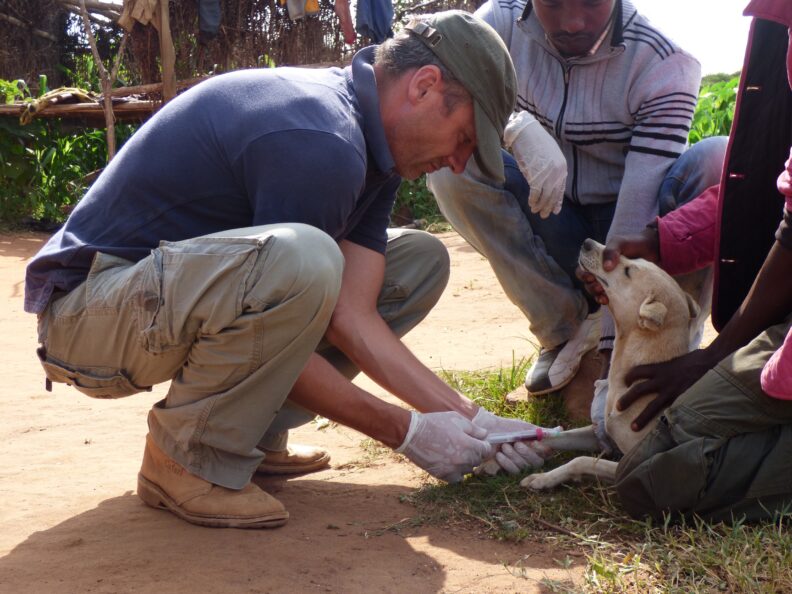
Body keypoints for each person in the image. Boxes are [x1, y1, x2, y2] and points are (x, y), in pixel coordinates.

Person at [24, 11, 549, 530]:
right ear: (425, 87)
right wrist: (406, 431)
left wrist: (469, 418)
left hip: (159, 301)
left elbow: (351, 315)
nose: (459, 163)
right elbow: (290, 295)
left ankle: (247, 434)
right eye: (463, 139)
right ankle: (187, 459)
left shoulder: (376, 150)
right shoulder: (323, 139)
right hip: (88, 315)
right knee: (306, 258)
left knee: (417, 261)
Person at [427, 0, 727, 398]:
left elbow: (636, 210)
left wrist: (612, 356)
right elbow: (420, 67)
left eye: (590, 2)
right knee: (452, 167)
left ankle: (666, 343)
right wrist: (511, 125)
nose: (571, 23)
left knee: (717, 160)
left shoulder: (663, 62)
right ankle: (562, 328)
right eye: (552, 3)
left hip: (639, 236)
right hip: (553, 214)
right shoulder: (499, 23)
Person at [579, 0, 792, 522]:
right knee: (659, 449)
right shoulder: (776, 22)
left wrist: (714, 354)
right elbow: (763, 190)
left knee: (651, 474)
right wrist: (662, 237)